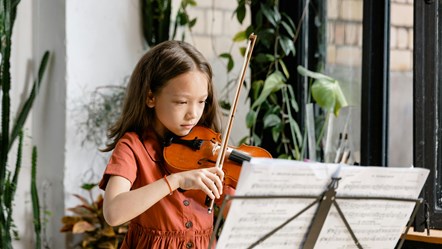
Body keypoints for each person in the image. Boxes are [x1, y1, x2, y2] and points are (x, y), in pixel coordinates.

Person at [99, 40, 233, 249]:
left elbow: (234, 211)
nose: (194, 114)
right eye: (182, 102)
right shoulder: (132, 147)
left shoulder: (208, 149)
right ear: (151, 96)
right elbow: (113, 213)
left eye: (201, 101)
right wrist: (175, 180)